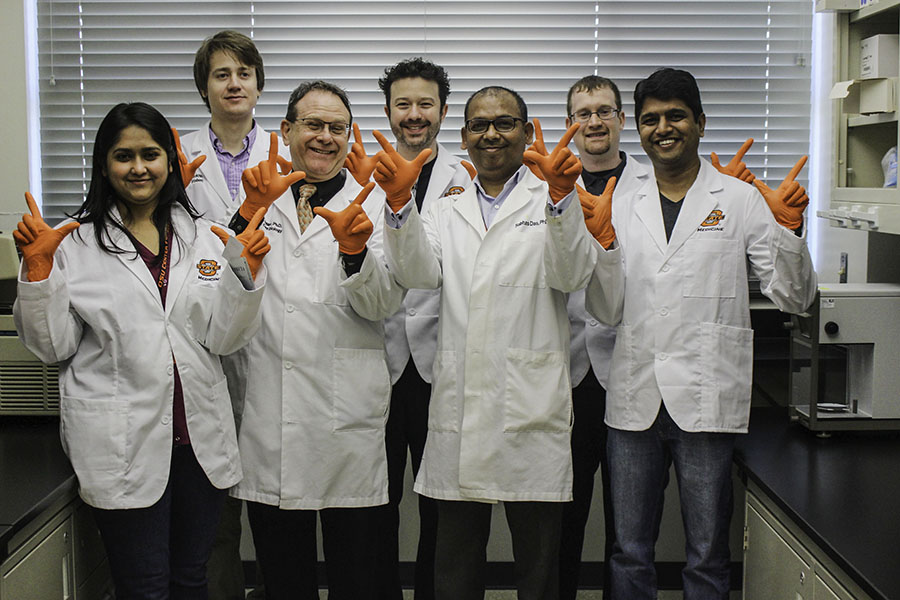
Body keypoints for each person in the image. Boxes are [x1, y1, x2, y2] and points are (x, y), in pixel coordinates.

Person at [13, 101, 268, 599]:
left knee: (192, 578)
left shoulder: (204, 237)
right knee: (144, 587)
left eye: (150, 154)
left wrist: (246, 278)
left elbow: (223, 338)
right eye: (123, 156)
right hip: (121, 441)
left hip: (197, 444)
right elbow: (53, 345)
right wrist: (40, 273)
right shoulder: (76, 243)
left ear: (170, 161)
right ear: (104, 165)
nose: (138, 168)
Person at [585, 68, 817, 600]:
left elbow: (795, 298)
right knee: (628, 552)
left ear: (700, 123)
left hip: (706, 395)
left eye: (675, 116)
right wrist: (602, 248)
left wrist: (788, 232)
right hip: (635, 397)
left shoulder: (739, 198)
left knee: (708, 556)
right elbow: (605, 307)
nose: (662, 128)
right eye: (650, 120)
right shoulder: (620, 198)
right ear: (637, 129)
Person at [377, 85, 612, 600]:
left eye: (505, 123)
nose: (491, 134)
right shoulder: (446, 206)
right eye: (479, 125)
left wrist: (560, 201)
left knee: (539, 569)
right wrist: (399, 206)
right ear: (463, 138)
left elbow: (572, 275)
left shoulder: (550, 196)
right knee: (454, 568)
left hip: (531, 408)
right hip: (461, 409)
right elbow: (418, 272)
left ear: (527, 133)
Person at [226, 80, 405, 600]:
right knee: (284, 578)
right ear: (286, 131)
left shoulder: (371, 203)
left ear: (350, 139)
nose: (325, 137)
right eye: (313, 124)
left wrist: (355, 253)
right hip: (272, 412)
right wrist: (243, 219)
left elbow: (383, 304)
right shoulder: (258, 200)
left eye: (337, 128)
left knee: (358, 576)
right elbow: (218, 290)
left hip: (346, 416)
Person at [177, 30, 284, 599]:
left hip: (274, 329)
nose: (234, 83)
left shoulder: (287, 155)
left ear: (259, 85)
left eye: (243, 73)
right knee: (213, 506)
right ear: (205, 88)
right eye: (221, 74)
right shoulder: (177, 156)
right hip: (202, 333)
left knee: (272, 501)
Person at [369, 57, 472, 600]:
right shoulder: (363, 176)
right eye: (403, 104)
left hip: (441, 362)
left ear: (442, 111)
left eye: (425, 104)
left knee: (442, 505)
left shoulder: (468, 177)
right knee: (376, 502)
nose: (414, 115)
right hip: (379, 363)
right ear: (388, 112)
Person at [555, 74, 650, 600]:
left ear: (620, 120)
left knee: (627, 526)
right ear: (571, 123)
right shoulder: (547, 185)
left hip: (627, 373)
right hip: (564, 375)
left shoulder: (649, 186)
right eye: (583, 112)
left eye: (604, 111)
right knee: (562, 519)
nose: (594, 121)